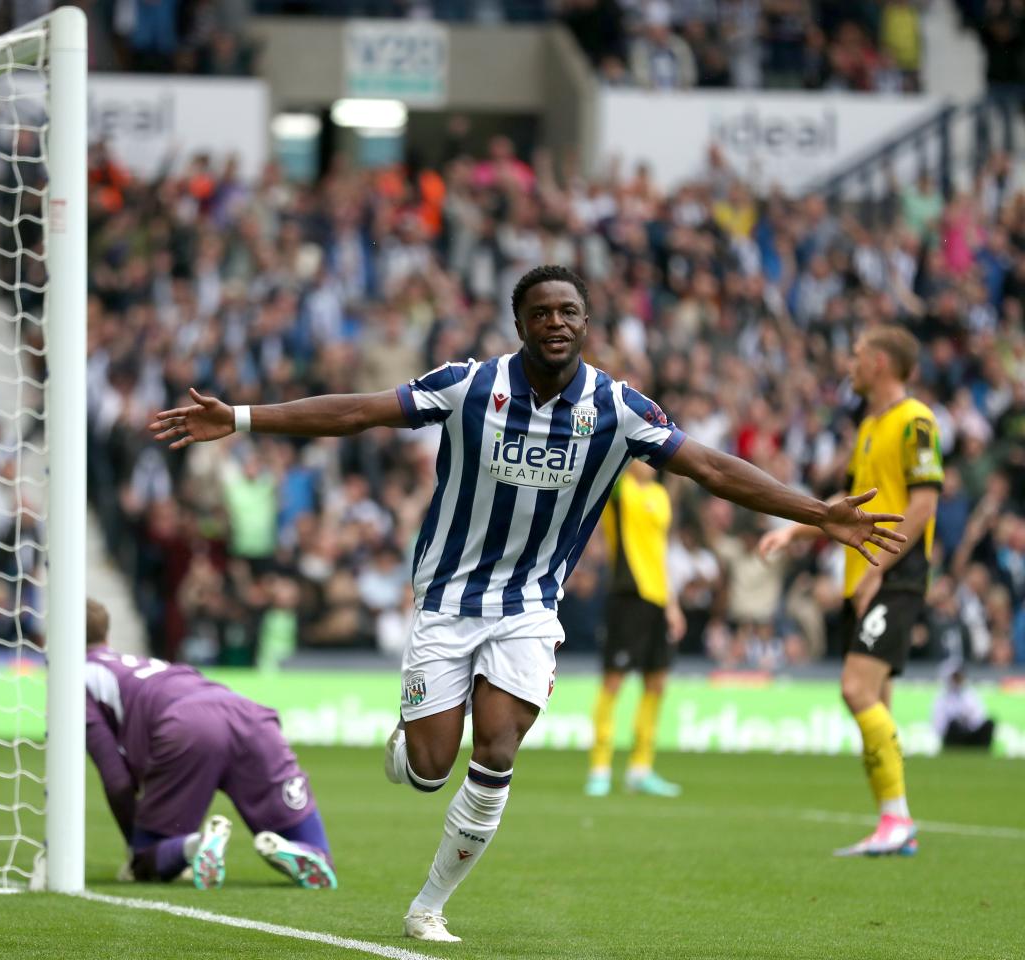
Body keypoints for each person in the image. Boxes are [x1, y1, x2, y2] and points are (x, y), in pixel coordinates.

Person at [150, 264, 904, 942]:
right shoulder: (469, 385)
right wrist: (243, 418)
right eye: (542, 312)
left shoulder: (617, 407)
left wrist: (816, 512)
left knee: (498, 749)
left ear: (586, 323)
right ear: (520, 323)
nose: (556, 323)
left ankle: (428, 907)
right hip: (447, 600)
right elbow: (359, 412)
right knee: (426, 768)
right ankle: (409, 742)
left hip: (530, 607)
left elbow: (708, 466)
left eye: (569, 312)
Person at [760, 325, 941, 858]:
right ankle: (893, 823)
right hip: (861, 576)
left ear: (882, 362)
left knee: (856, 690)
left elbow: (925, 502)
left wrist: (879, 570)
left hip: (893, 574)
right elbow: (850, 501)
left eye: (858, 353)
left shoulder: (916, 421)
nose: (850, 362)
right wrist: (795, 527)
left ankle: (897, 819)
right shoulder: (868, 426)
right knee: (875, 699)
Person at [83, 599, 337, 890]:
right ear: (106, 635)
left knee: (148, 857)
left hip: (187, 725)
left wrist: (136, 847)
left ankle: (196, 845)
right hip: (248, 715)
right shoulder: (143, 662)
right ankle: (304, 851)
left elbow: (116, 781)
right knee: (315, 849)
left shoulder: (76, 678)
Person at [585, 458, 687, 798]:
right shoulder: (619, 490)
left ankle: (640, 768)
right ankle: (599, 766)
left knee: (656, 682)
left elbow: (659, 552)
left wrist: (672, 604)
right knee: (614, 680)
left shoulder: (659, 495)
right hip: (627, 595)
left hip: (658, 599)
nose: (653, 462)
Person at [932, 661, 996, 749]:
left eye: (960, 677)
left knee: (990, 723)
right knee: (954, 724)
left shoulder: (971, 694)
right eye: (955, 677)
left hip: (970, 733)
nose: (958, 680)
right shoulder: (941, 698)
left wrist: (967, 721)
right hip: (953, 736)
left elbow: (979, 718)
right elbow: (938, 724)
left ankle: (980, 749)